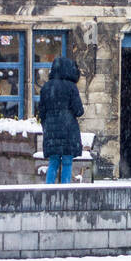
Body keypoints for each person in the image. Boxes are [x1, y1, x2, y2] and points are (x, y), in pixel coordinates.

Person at [37, 55, 84, 184]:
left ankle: (49, 189)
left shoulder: (46, 87)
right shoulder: (71, 87)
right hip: (69, 130)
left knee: (53, 162)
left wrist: (47, 125)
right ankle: (65, 189)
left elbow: (41, 110)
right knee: (67, 162)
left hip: (51, 131)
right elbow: (79, 111)